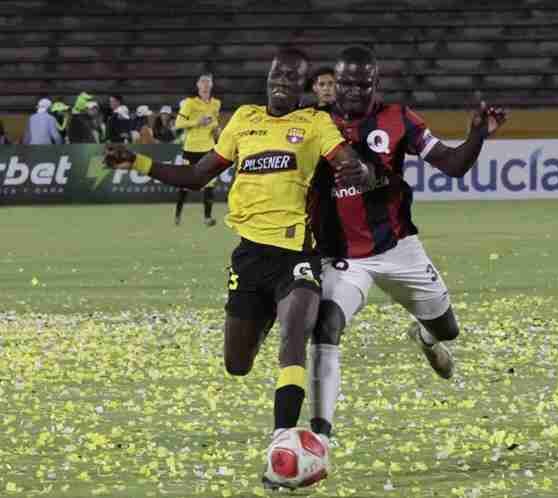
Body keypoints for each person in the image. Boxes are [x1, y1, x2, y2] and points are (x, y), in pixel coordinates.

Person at [102, 47, 370, 488]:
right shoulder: (243, 120)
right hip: (249, 258)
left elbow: (345, 161)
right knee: (237, 364)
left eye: (292, 76)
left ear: (303, 86)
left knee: (293, 340)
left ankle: (282, 442)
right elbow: (197, 176)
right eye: (277, 74)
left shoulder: (315, 124)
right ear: (268, 77)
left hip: (297, 254)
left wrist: (354, 170)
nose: (282, 80)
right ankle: (264, 318)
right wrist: (139, 161)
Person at [307, 46, 507, 440]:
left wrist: (477, 135)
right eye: (343, 83)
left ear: (374, 84)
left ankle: (425, 336)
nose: (349, 92)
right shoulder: (313, 123)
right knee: (326, 327)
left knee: (448, 329)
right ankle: (320, 436)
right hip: (342, 257)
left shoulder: (398, 118)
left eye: (359, 84)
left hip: (398, 248)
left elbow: (452, 165)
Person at [174, 74, 221, 226]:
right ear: (198, 85)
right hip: (191, 148)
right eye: (203, 82)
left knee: (210, 183)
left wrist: (217, 130)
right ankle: (178, 214)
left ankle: (207, 218)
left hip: (208, 148)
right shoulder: (190, 103)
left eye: (208, 82)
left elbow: (214, 123)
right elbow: (179, 123)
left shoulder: (216, 104)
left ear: (212, 85)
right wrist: (197, 122)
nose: (206, 85)